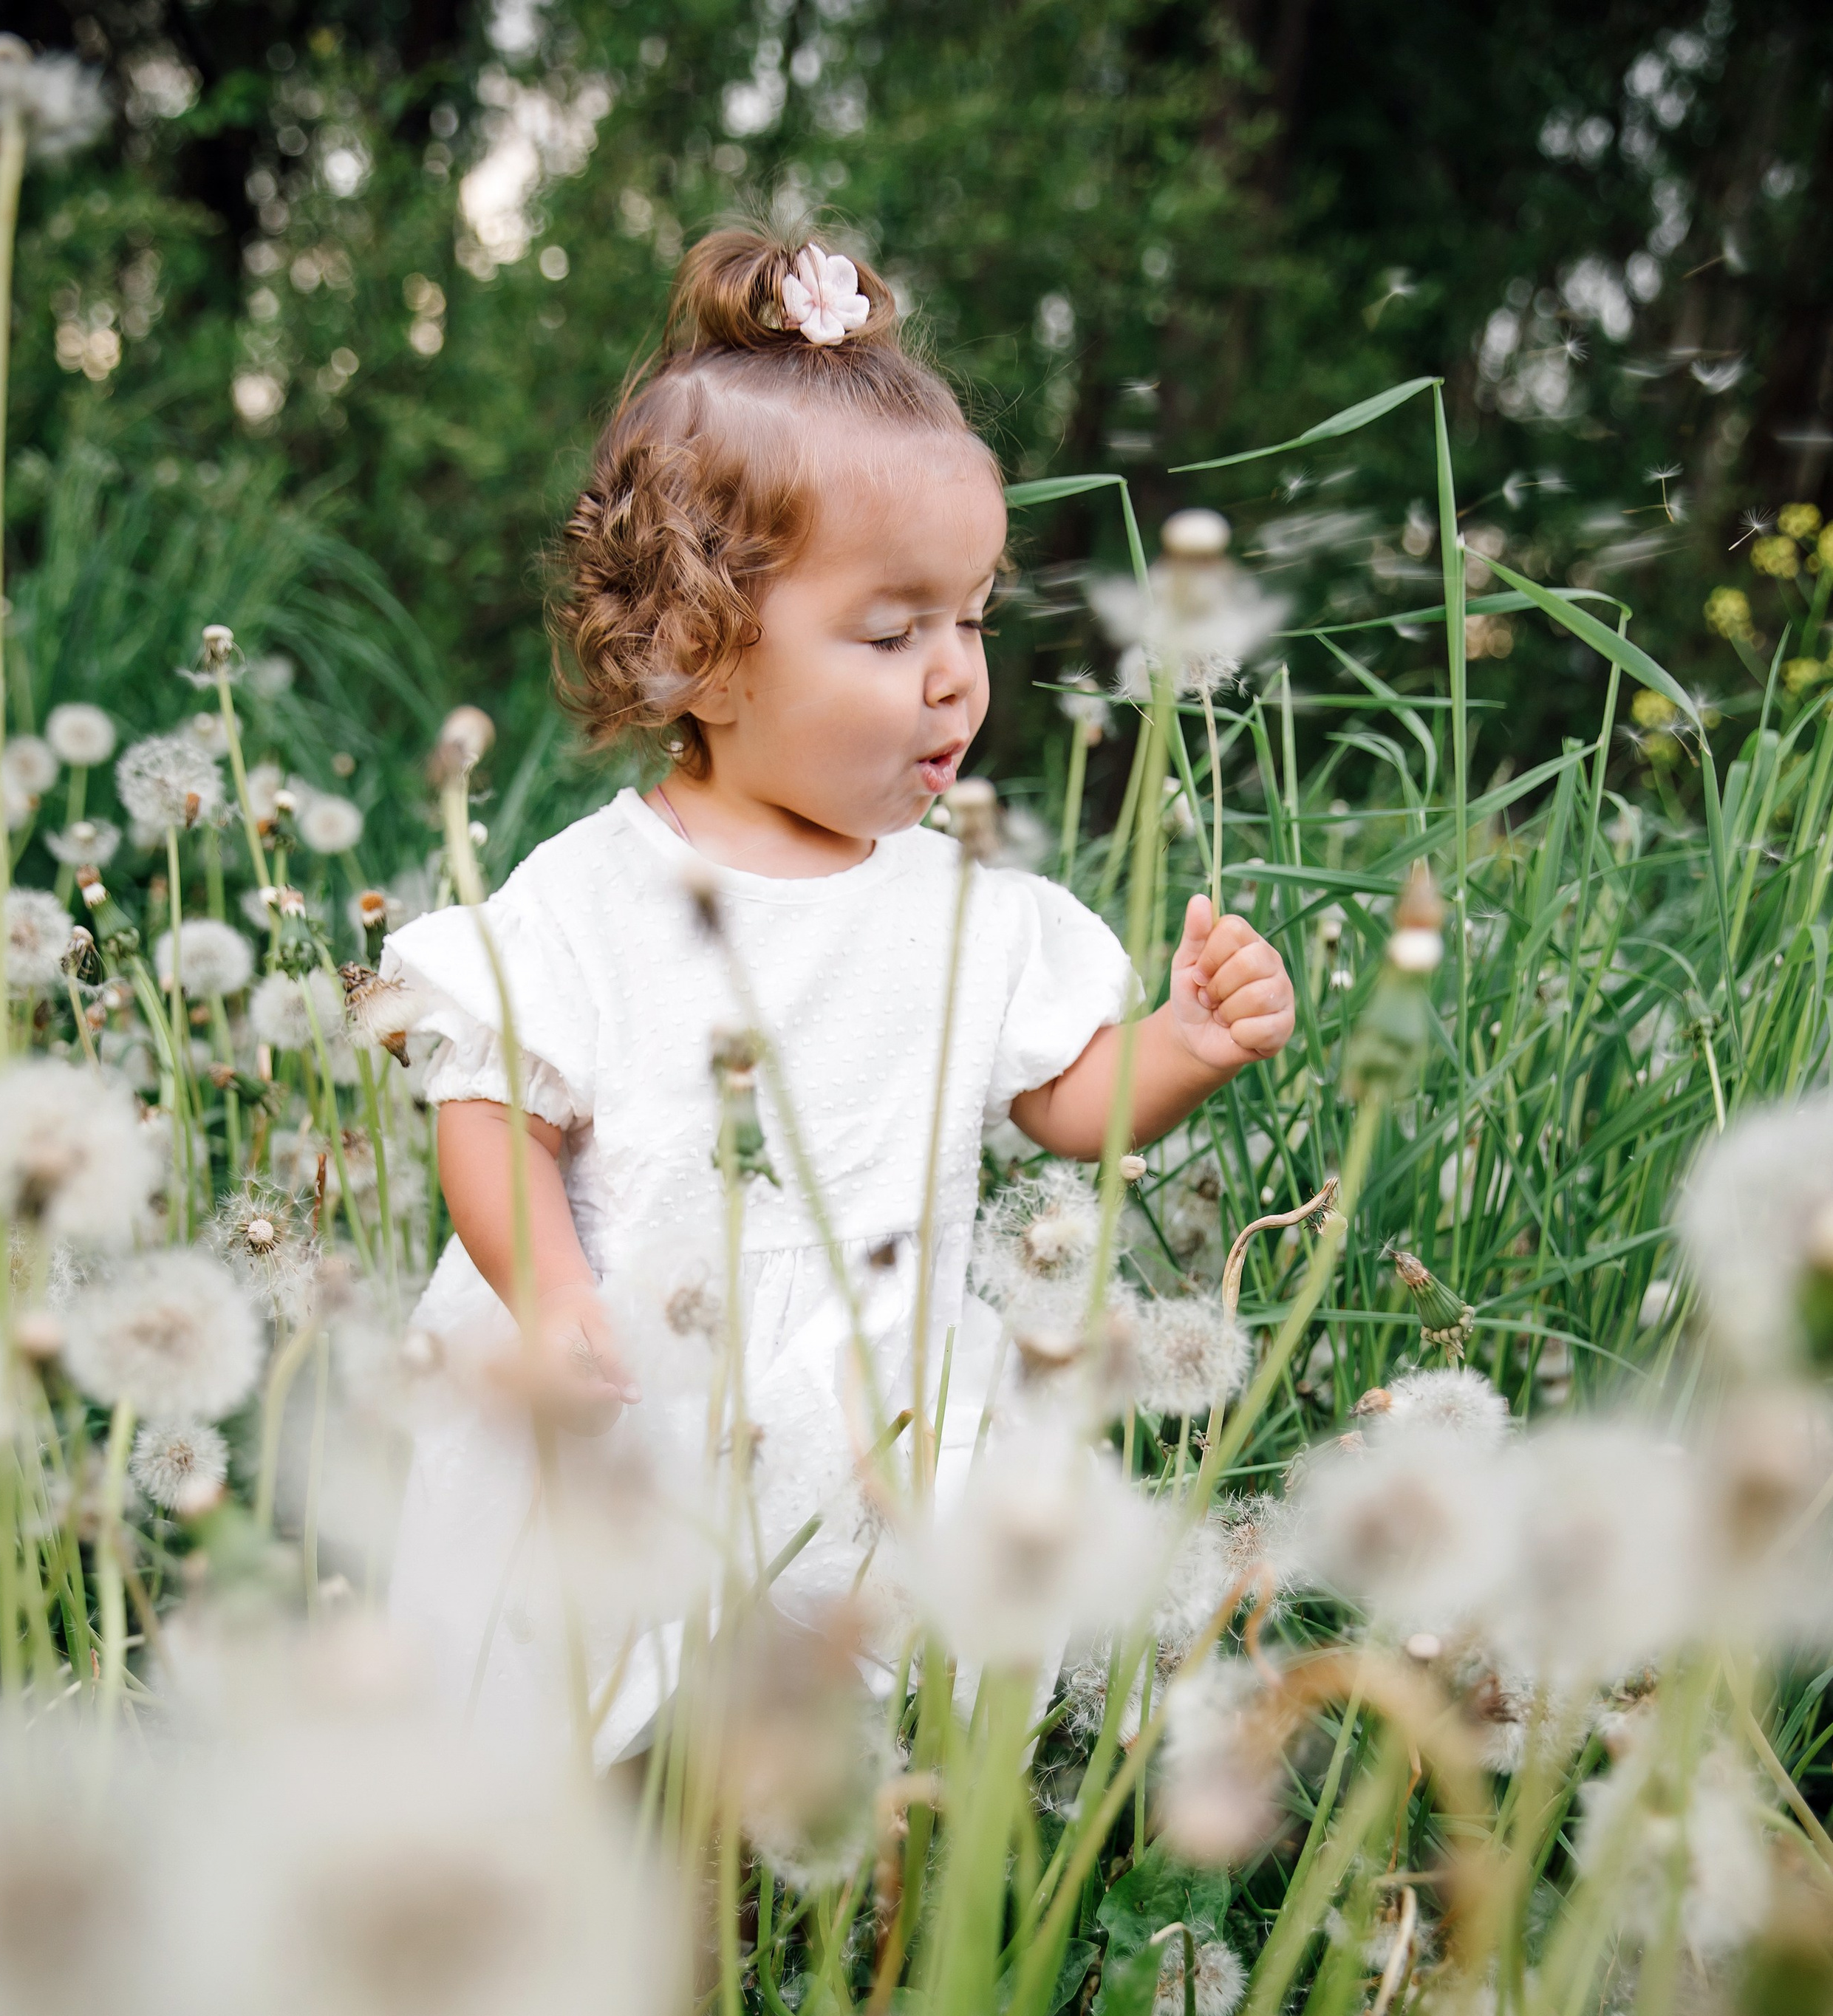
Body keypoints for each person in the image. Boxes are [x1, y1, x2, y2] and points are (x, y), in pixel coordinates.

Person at [381, 225, 1295, 1755]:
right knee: (565, 1693)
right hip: (628, 1385)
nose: (954, 675)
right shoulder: (590, 893)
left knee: (853, 1718)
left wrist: (1184, 1041)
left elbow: (1068, 1107)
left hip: (870, 1410)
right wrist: (549, 1296)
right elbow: (493, 1107)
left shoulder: (968, 908)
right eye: (889, 631)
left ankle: (839, 1851)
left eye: (972, 619)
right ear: (697, 652)